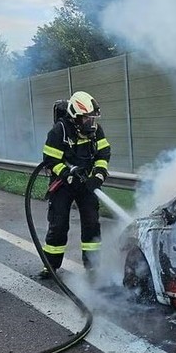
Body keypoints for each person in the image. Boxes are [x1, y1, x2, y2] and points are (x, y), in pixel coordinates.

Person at [38, 91, 111, 278]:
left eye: (92, 118)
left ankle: (93, 267)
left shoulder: (96, 132)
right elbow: (50, 160)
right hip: (63, 184)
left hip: (86, 183)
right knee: (58, 224)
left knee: (92, 223)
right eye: (86, 118)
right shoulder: (59, 131)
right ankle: (50, 266)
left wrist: (98, 176)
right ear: (75, 117)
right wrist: (67, 173)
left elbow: (103, 155)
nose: (90, 123)